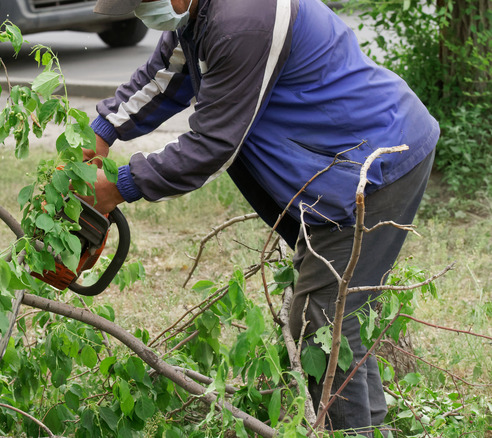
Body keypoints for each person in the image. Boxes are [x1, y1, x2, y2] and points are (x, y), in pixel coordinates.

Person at [78, 0, 439, 435]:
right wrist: (102, 131)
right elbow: (166, 76)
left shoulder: (242, 19)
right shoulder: (201, 16)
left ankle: (352, 432)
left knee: (320, 318)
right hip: (332, 165)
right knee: (338, 316)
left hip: (372, 164)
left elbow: (212, 145)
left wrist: (117, 187)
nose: (140, 12)